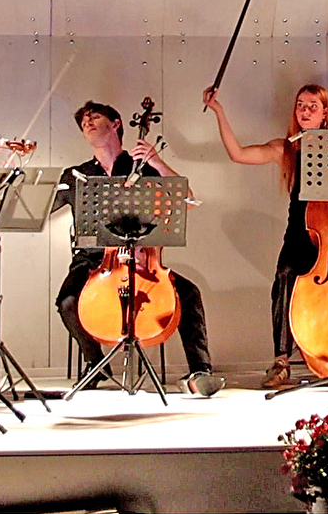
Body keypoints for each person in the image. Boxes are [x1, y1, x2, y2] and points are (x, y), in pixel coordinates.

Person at [202, 83, 328, 389]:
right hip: (299, 233)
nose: (305, 111)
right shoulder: (286, 148)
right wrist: (219, 112)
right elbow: (239, 153)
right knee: (283, 277)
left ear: (325, 114)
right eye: (300, 105)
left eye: (312, 106)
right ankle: (281, 361)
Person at [51, 101, 223, 396]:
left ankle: (200, 370)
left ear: (116, 123)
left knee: (189, 293)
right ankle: (95, 363)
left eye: (95, 117)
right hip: (93, 261)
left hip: (140, 257)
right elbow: (44, 209)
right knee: (67, 302)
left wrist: (157, 162)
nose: (88, 123)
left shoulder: (141, 167)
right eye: (83, 122)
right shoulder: (76, 175)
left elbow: (187, 198)